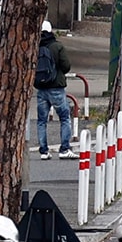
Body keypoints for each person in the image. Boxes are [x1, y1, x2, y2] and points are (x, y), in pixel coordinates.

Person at [35, 20, 73, 160]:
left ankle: (44, 151)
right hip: (56, 87)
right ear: (51, 31)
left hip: (41, 88)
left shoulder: (36, 46)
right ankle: (64, 149)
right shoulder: (57, 46)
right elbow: (66, 66)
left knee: (41, 121)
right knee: (64, 118)